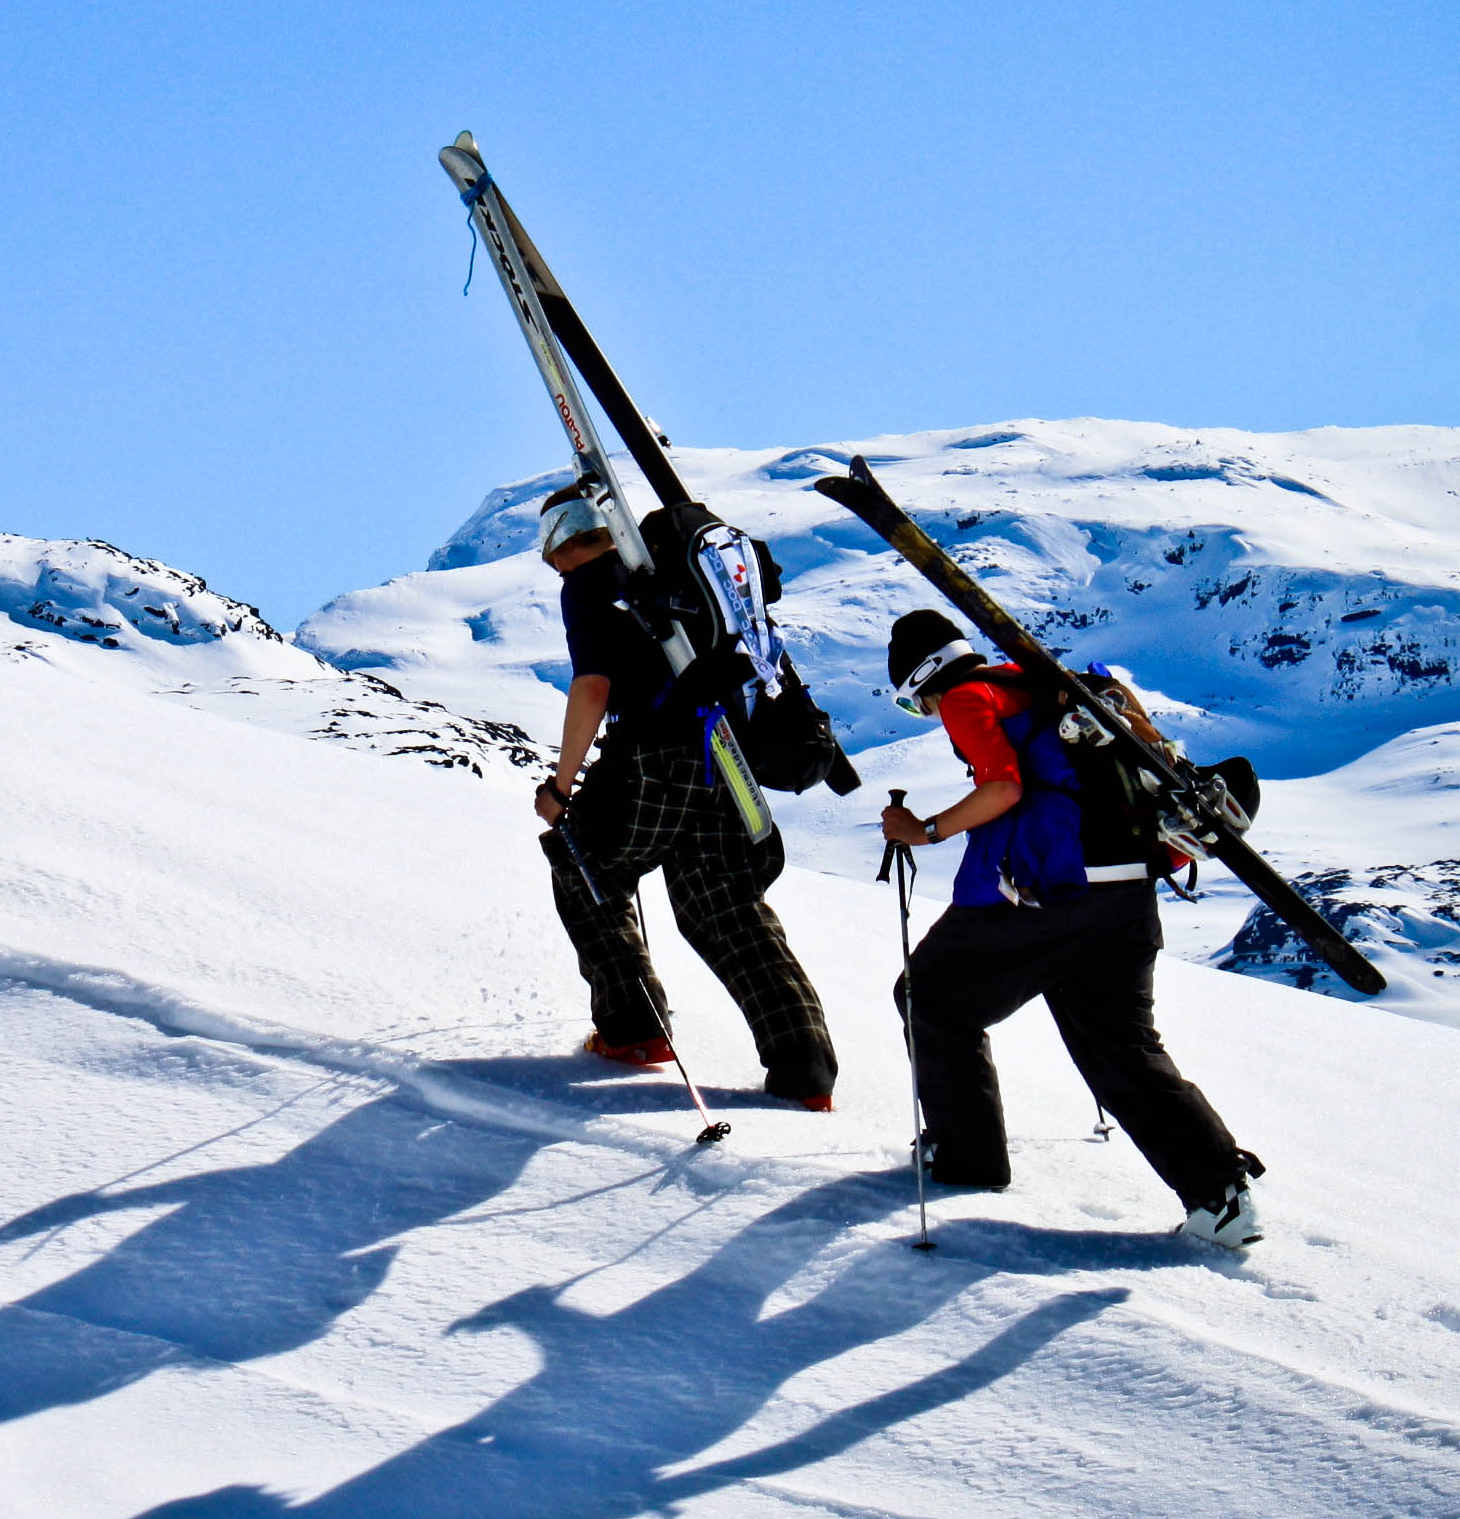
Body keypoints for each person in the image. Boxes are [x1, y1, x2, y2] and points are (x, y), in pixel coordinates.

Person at [875, 608, 1266, 1245]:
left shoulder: (969, 697)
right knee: (1122, 1046)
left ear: (925, 679)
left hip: (1044, 895)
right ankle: (1220, 1195)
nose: (929, 714)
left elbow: (1001, 789)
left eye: (917, 704)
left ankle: (967, 1157)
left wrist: (923, 830)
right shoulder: (1040, 684)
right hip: (1128, 893)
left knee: (931, 995)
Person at [531, 488, 839, 1108]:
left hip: (652, 756)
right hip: (725, 754)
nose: (554, 567)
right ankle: (805, 1068)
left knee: (585, 866)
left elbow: (594, 685)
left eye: (552, 555)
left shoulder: (591, 584)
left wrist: (561, 786)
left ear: (566, 542)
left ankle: (634, 1031)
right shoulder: (680, 577)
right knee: (725, 905)